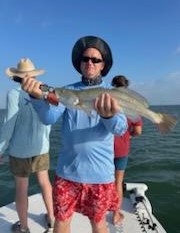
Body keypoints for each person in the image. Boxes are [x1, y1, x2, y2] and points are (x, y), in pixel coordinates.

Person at [20, 36, 128, 233]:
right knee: (61, 221)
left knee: (99, 223)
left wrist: (108, 116)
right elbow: (49, 117)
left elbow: (120, 128)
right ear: (79, 63)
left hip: (100, 175)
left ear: (103, 65)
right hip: (67, 173)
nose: (89, 63)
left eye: (95, 60)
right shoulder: (67, 91)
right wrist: (36, 98)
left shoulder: (111, 94)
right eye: (85, 58)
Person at [0, 58, 54, 233]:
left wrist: (0, 149)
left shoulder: (14, 93)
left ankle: (23, 228)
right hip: (41, 148)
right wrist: (45, 142)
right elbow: (49, 120)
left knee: (21, 188)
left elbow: (9, 125)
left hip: (19, 151)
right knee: (45, 183)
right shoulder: (45, 91)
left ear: (17, 76)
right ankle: (52, 220)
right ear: (33, 74)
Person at [111, 75, 143, 224]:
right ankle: (116, 213)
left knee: (103, 181)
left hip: (104, 150)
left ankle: (99, 209)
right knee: (118, 182)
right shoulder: (132, 106)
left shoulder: (107, 101)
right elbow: (138, 131)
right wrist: (128, 135)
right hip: (122, 149)